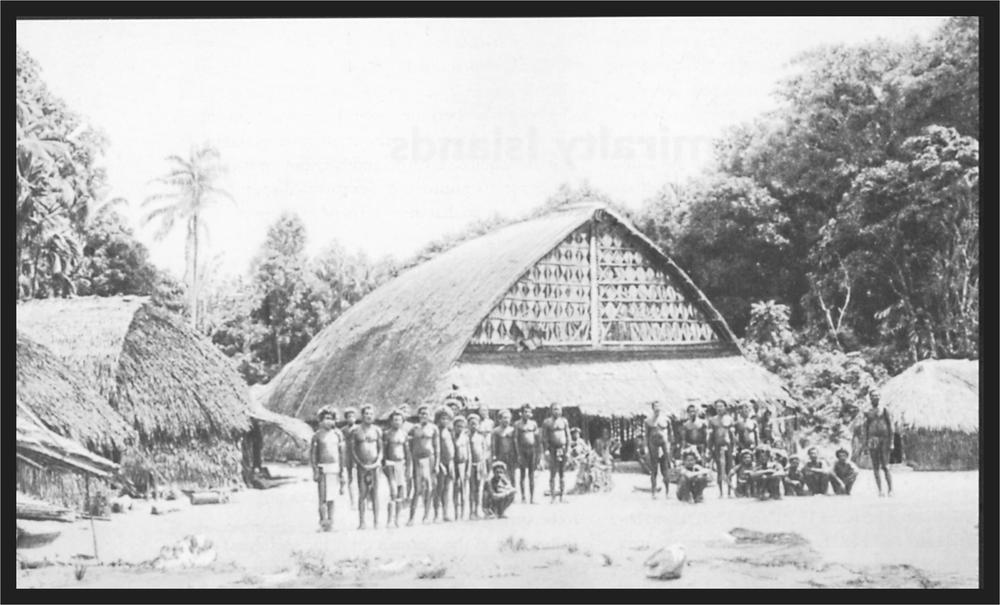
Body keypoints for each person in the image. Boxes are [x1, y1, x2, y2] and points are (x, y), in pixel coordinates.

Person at [309, 407, 346, 531]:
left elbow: (341, 454)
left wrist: (342, 471)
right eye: (326, 418)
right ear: (321, 420)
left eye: (331, 419)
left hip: (334, 469)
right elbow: (313, 454)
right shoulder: (317, 435)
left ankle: (331, 523)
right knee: (323, 498)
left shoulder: (338, 434)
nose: (328, 421)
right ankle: (322, 523)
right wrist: (315, 470)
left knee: (332, 497)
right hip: (322, 468)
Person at [407, 404, 439, 526]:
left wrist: (436, 464)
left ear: (429, 415)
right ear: (418, 415)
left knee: (430, 488)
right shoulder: (414, 428)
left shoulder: (433, 428)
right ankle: (411, 517)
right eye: (421, 413)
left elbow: (437, 448)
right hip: (417, 460)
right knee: (417, 489)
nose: (423, 416)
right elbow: (409, 446)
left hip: (429, 459)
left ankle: (426, 516)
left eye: (426, 413)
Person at [352, 404, 382, 529]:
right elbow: (353, 450)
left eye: (371, 414)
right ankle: (362, 522)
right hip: (362, 466)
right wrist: (360, 463)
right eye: (366, 414)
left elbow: (381, 449)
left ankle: (376, 522)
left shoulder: (377, 430)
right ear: (362, 416)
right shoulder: (356, 431)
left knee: (375, 493)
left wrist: (377, 462)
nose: (368, 416)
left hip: (374, 465)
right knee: (362, 493)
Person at [863, 391, 894, 497]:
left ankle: (890, 489)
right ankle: (880, 490)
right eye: (873, 396)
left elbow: (890, 426)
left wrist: (891, 441)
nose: (875, 397)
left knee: (885, 466)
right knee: (875, 466)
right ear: (870, 398)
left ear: (880, 397)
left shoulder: (884, 409)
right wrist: (866, 443)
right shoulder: (868, 411)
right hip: (872, 440)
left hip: (884, 439)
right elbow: (866, 428)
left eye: (877, 395)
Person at [382, 409, 410, 528]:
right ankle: (389, 520)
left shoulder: (404, 434)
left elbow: (407, 452)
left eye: (399, 419)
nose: (397, 422)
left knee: (400, 492)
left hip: (401, 464)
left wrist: (408, 467)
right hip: (391, 464)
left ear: (402, 421)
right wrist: (384, 466)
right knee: (393, 492)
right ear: (391, 421)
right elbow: (384, 451)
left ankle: (397, 520)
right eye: (395, 420)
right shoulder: (387, 434)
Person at [541, 403, 571, 503]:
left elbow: (568, 436)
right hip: (552, 449)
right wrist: (546, 450)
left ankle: (562, 495)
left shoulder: (564, 421)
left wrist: (568, 449)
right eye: (554, 409)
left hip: (562, 449)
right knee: (552, 473)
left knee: (562, 473)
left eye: (558, 409)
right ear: (551, 410)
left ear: (561, 411)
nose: (556, 411)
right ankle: (553, 496)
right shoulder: (547, 422)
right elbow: (544, 438)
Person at [643, 401, 672, 499]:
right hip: (653, 444)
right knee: (654, 470)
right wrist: (646, 448)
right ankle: (653, 492)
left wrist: (669, 447)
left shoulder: (666, 420)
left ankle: (667, 492)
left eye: (659, 406)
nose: (657, 408)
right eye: (655, 407)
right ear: (652, 408)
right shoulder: (648, 421)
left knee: (665, 469)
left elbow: (670, 435)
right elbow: (646, 435)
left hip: (664, 444)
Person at [513, 404, 541, 504]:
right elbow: (515, 439)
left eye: (529, 412)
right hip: (522, 450)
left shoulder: (533, 424)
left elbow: (538, 439)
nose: (527, 414)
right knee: (522, 474)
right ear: (521, 413)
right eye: (525, 412)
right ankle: (524, 497)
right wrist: (518, 454)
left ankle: (532, 497)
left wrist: (538, 454)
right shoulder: (517, 424)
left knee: (532, 475)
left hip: (532, 450)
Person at [708, 399, 735, 498]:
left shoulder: (730, 419)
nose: (719, 408)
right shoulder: (712, 420)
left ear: (725, 407)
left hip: (728, 446)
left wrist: (734, 448)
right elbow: (710, 437)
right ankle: (720, 492)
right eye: (717, 406)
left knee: (729, 468)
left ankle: (729, 491)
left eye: (721, 406)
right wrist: (709, 449)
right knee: (719, 469)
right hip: (717, 447)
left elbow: (732, 436)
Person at [434, 408, 456, 522]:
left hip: (449, 462)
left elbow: (452, 447)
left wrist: (451, 462)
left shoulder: (449, 431)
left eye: (447, 419)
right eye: (442, 418)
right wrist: (440, 464)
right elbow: (436, 449)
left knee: (448, 489)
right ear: (438, 419)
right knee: (439, 489)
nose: (445, 421)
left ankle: (446, 513)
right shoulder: (436, 431)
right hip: (441, 462)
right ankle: (437, 513)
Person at [467, 413, 488, 519]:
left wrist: (483, 465)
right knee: (472, 488)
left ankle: (478, 510)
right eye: (471, 424)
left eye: (475, 424)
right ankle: (471, 511)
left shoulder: (481, 438)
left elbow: (484, 451)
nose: (473, 426)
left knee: (479, 489)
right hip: (471, 465)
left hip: (480, 465)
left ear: (479, 425)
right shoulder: (466, 437)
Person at [492, 409, 518, 490]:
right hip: (500, 455)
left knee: (512, 474)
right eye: (504, 418)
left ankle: (513, 491)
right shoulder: (496, 431)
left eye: (508, 418)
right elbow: (493, 445)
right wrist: (494, 455)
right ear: (500, 419)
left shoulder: (512, 430)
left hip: (511, 455)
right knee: (501, 474)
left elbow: (516, 444)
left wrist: (517, 455)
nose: (506, 420)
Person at [452, 415, 472, 520]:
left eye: (462, 426)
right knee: (456, 489)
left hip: (464, 465)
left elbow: (469, 455)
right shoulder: (452, 438)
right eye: (458, 426)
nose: (460, 428)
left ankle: (463, 514)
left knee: (464, 490)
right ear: (454, 426)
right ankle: (456, 514)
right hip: (455, 465)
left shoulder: (466, 438)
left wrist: (468, 469)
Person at [340, 406, 359, 509]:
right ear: (346, 418)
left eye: (352, 416)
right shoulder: (343, 430)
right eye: (349, 416)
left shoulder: (359, 429)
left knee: (362, 478)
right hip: (348, 455)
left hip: (358, 454)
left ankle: (365, 500)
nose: (351, 418)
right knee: (350, 478)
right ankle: (353, 501)